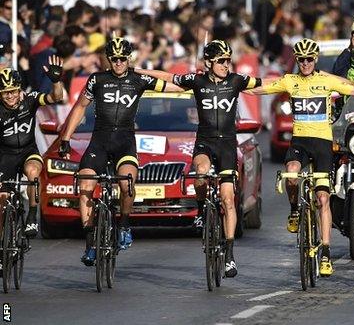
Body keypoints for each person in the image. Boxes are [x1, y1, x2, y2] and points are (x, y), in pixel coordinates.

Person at [247, 38, 354, 276]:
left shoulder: (326, 80)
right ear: (297, 61)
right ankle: (295, 210)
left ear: (315, 59)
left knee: (323, 198)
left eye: (309, 59)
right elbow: (261, 86)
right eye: (301, 60)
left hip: (323, 144)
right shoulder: (290, 81)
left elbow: (352, 88)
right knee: (292, 174)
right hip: (300, 142)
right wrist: (233, 84)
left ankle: (326, 253)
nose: (305, 63)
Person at [135, 40, 263, 278]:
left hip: (227, 144)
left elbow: (267, 86)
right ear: (209, 63)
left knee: (227, 199)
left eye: (228, 60)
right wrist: (140, 71)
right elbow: (169, 77)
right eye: (222, 61)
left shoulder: (236, 80)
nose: (227, 65)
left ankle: (230, 254)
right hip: (205, 141)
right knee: (201, 175)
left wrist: (297, 84)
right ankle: (202, 209)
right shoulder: (197, 81)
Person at [58, 37, 177, 266]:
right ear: (108, 60)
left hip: (124, 142)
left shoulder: (139, 79)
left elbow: (176, 85)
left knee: (127, 182)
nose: (119, 63)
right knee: (85, 185)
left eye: (123, 59)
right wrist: (65, 137)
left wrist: (143, 70)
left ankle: (123, 224)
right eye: (114, 59)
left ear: (128, 59)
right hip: (100, 141)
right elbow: (80, 107)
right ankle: (91, 242)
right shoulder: (97, 79)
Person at [0, 57, 65, 272]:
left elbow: (56, 97)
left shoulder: (30, 99)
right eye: (5, 93)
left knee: (33, 172)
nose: (10, 96)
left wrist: (56, 81)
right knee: (1, 200)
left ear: (20, 90)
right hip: (5, 156)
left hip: (28, 151)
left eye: (13, 91)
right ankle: (2, 246)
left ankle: (31, 217)